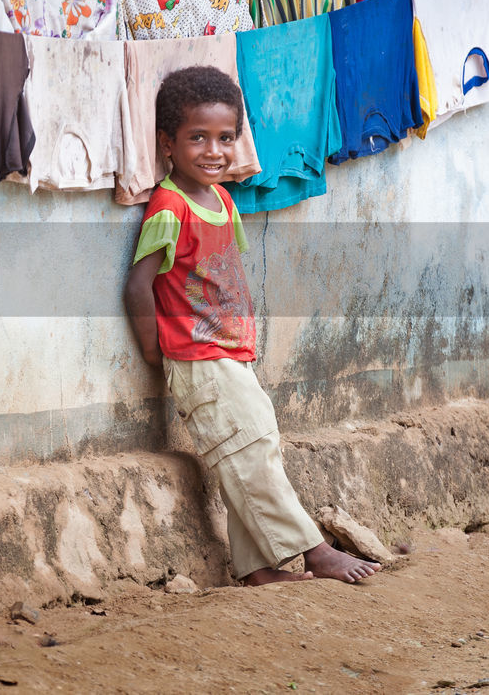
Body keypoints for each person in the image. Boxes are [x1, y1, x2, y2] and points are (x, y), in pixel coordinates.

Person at [123, 65, 381, 585]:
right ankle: (312, 550)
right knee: (251, 450)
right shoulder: (169, 207)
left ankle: (255, 570)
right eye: (197, 138)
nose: (213, 151)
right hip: (199, 359)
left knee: (250, 450)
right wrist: (158, 353)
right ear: (167, 143)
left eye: (225, 138)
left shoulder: (219, 199)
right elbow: (137, 284)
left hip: (229, 355)